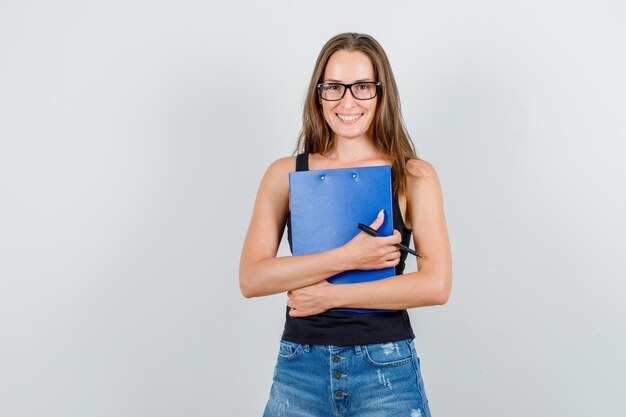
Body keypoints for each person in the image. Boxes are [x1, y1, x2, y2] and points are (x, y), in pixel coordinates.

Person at [239, 32, 452, 417]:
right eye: (334, 87)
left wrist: (331, 296)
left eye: (362, 87)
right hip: (299, 370)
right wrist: (350, 255)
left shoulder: (413, 175)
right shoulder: (284, 173)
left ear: (380, 92)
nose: (347, 101)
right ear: (318, 94)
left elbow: (436, 285)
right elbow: (253, 278)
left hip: (386, 371)